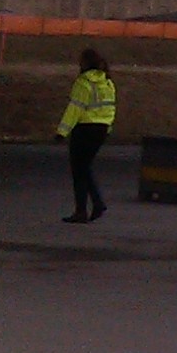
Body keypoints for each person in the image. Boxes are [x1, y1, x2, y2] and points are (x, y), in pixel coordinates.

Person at [56, 49, 116, 224]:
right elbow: (111, 108)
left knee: (79, 169)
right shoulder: (108, 82)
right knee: (85, 167)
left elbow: (75, 109)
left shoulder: (83, 83)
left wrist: (62, 131)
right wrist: (108, 127)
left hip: (84, 129)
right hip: (101, 129)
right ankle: (95, 204)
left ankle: (85, 209)